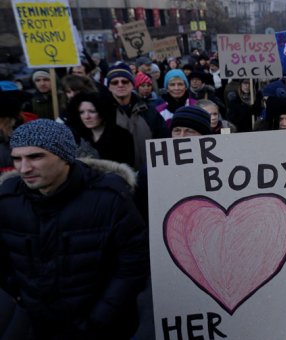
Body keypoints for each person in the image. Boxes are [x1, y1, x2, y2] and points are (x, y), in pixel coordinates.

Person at [0, 119, 148, 339]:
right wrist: (22, 295)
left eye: (35, 156)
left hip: (105, 328)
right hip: (39, 324)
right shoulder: (8, 198)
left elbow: (133, 263)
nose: (24, 168)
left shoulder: (110, 197)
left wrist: (100, 317)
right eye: (17, 159)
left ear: (64, 156)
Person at [106, 63, 169, 168]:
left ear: (132, 84)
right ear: (109, 87)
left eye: (125, 81)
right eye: (115, 82)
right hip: (116, 178)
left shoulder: (150, 112)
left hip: (149, 175)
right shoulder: (102, 114)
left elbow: (164, 143)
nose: (120, 85)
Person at [66, 92, 135, 165]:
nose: (86, 116)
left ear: (102, 111)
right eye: (81, 112)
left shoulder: (121, 136)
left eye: (92, 111)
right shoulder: (78, 137)